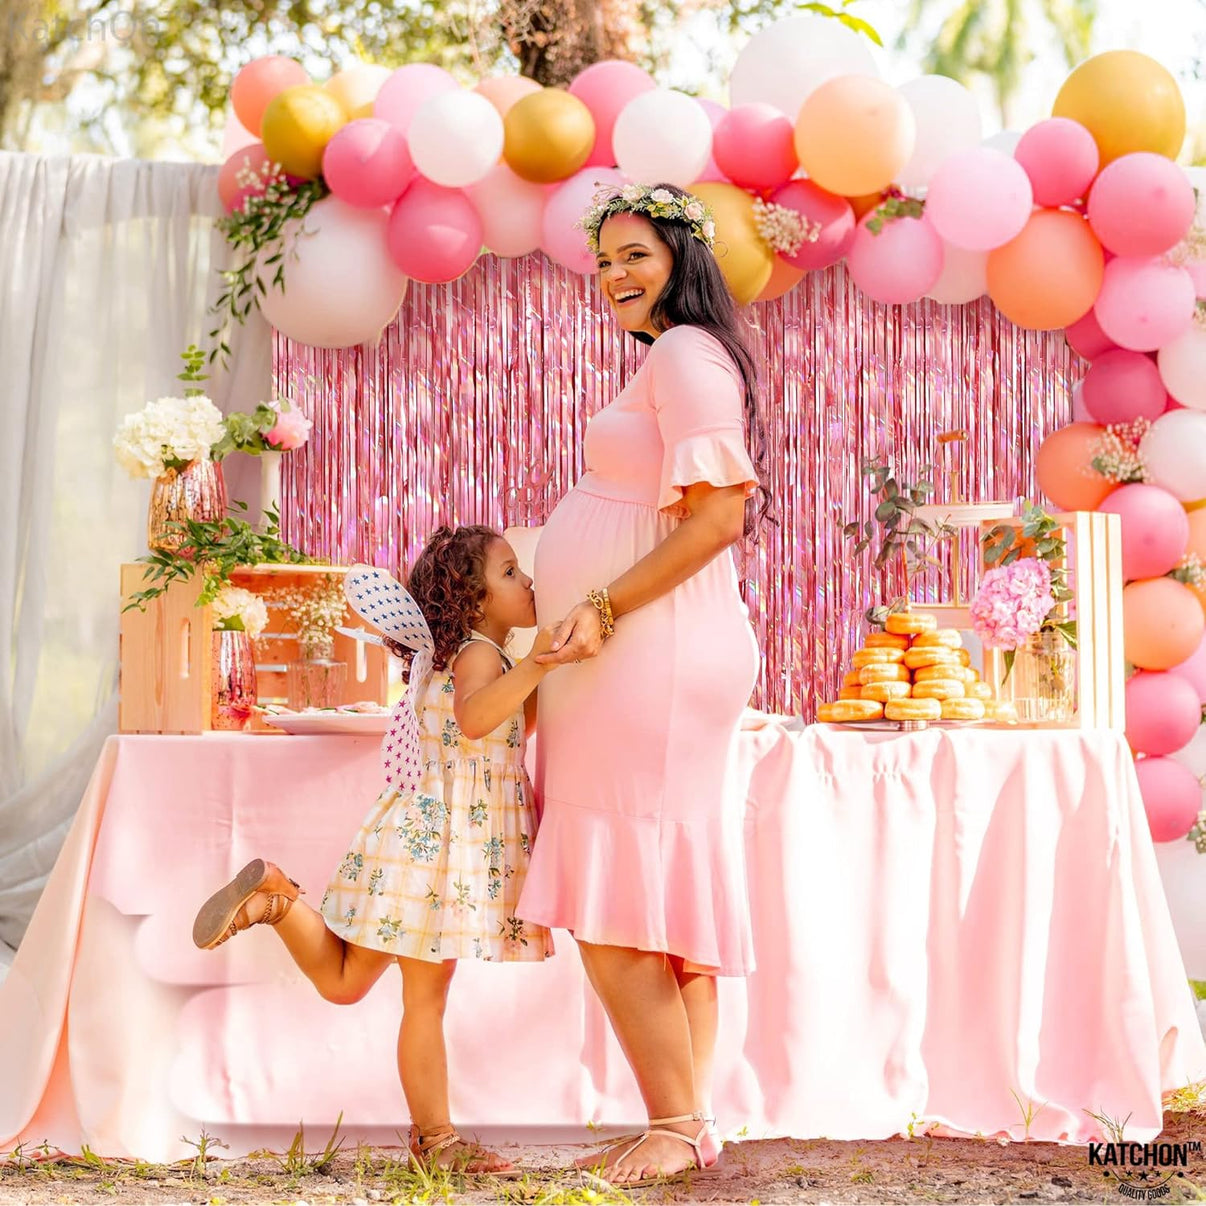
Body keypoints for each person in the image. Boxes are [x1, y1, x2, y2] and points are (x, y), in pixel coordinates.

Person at [517, 182, 768, 1186]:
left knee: (616, 884)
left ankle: (673, 1121)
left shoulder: (683, 354)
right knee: (656, 889)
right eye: (606, 261)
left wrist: (603, 606)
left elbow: (719, 517)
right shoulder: (674, 357)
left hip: (646, 656)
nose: (615, 275)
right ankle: (685, 1123)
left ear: (681, 259)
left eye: (637, 256)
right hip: (632, 656)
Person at [191, 526, 556, 1175]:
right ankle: (437, 1142)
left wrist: (544, 678)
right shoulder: (479, 656)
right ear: (473, 601)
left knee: (345, 983)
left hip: (419, 840)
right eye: (509, 572)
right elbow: (477, 719)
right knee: (425, 999)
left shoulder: (462, 657)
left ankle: (276, 899)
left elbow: (506, 725)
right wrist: (542, 664)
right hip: (438, 851)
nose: (527, 581)